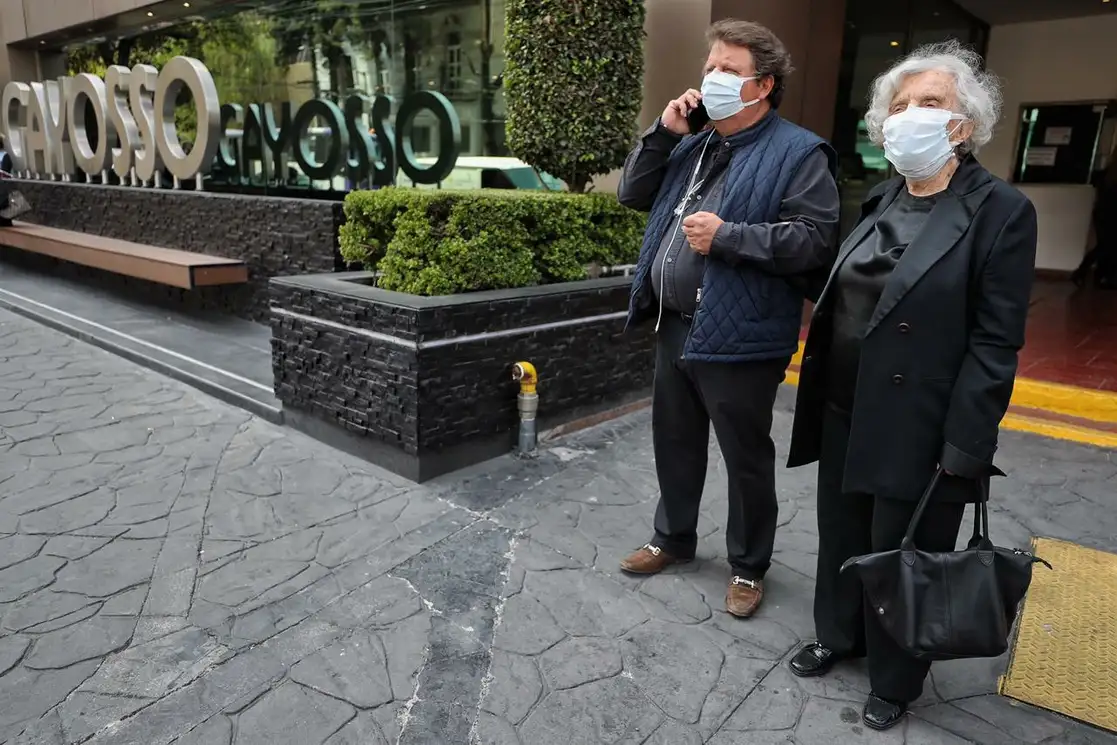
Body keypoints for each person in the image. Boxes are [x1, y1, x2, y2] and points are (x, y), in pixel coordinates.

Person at [784, 41, 1037, 731]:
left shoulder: (1000, 210)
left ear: (963, 124)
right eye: (898, 106)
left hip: (921, 421)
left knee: (907, 551)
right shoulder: (882, 193)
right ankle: (838, 634)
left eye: (930, 102)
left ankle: (894, 679)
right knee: (841, 530)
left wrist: (966, 443)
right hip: (844, 404)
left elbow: (995, 341)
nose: (909, 116)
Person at [617, 19, 840, 619]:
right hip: (674, 324)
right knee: (674, 440)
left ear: (763, 85)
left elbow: (815, 240)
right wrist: (663, 132)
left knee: (745, 457)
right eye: (710, 66)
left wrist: (729, 237)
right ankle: (672, 537)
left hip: (742, 334)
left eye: (728, 69)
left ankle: (748, 565)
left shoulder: (799, 152)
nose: (712, 77)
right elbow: (632, 194)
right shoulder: (694, 144)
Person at [1071, 146, 1117, 289]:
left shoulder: (1104, 174)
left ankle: (1095, 274)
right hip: (1112, 215)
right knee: (1107, 246)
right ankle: (1089, 274)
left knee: (1105, 245)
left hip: (1102, 214)